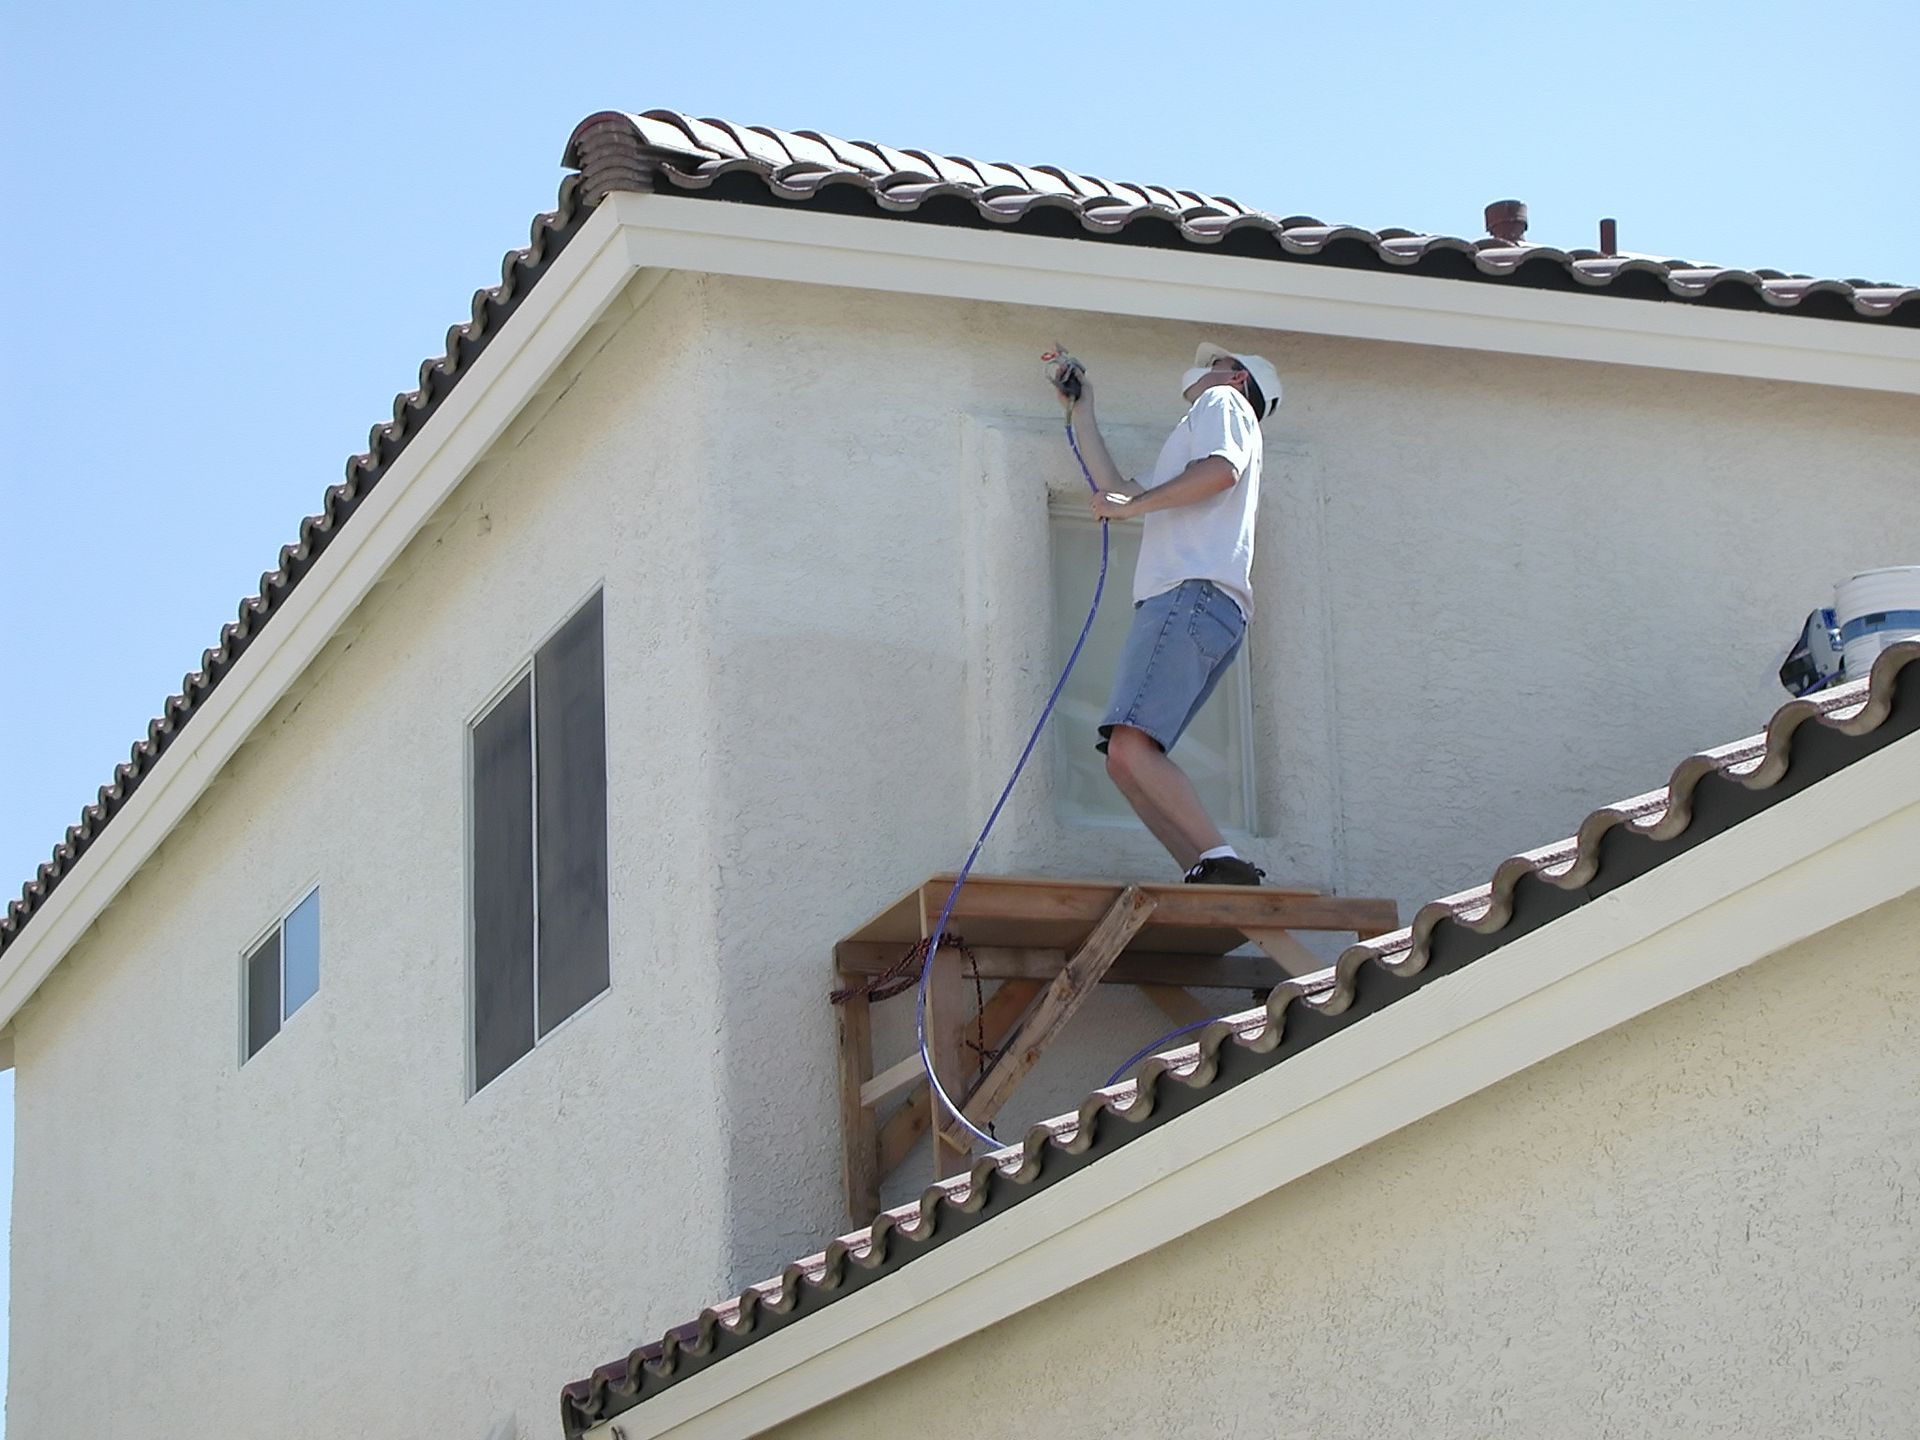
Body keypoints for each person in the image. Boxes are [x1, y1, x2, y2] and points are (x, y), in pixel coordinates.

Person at [1051, 343, 1282, 884]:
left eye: (1219, 363)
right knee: (1127, 759)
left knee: (1131, 747)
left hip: (1190, 594)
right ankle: (1206, 871)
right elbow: (1121, 490)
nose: (1206, 369)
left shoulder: (1224, 403)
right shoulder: (1207, 424)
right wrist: (1082, 408)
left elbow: (1220, 470)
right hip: (1203, 604)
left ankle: (1220, 861)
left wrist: (1133, 506)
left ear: (1240, 378)